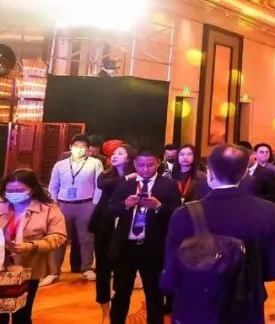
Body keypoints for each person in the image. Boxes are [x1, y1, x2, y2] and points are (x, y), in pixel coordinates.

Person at [161, 143, 275, 324]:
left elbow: (170, 277)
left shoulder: (184, 214)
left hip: (197, 306)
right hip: (246, 306)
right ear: (245, 173)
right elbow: (271, 271)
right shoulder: (267, 211)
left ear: (209, 172)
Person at [105, 150, 181, 324]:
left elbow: (177, 214)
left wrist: (158, 206)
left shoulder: (169, 185)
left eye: (150, 165)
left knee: (154, 295)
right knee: (121, 293)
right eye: (141, 165)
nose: (145, 169)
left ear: (158, 163)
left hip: (153, 248)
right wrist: (125, 204)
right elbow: (109, 211)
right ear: (134, 164)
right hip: (126, 247)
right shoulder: (125, 185)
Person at [0, 169, 67, 324]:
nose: (13, 194)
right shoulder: (2, 206)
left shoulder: (48, 209)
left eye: (19, 190)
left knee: (22, 313)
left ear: (32, 189)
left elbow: (58, 236)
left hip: (29, 268)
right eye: (10, 191)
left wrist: (31, 246)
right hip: (2, 265)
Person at [47, 133, 103, 284]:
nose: (80, 149)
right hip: (63, 205)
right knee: (59, 238)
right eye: (76, 146)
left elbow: (99, 186)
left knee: (87, 238)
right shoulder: (60, 165)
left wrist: (94, 204)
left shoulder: (95, 163)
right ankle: (54, 271)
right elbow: (53, 185)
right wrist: (53, 203)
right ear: (70, 147)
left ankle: (87, 268)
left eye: (83, 146)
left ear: (88, 148)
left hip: (86, 204)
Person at [90, 144, 134, 322]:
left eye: (120, 153)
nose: (115, 156)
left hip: (126, 225)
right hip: (104, 224)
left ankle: (118, 311)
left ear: (129, 158)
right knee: (102, 269)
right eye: (114, 153)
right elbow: (102, 185)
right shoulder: (107, 175)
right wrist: (127, 178)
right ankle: (105, 313)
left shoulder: (137, 176)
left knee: (123, 270)